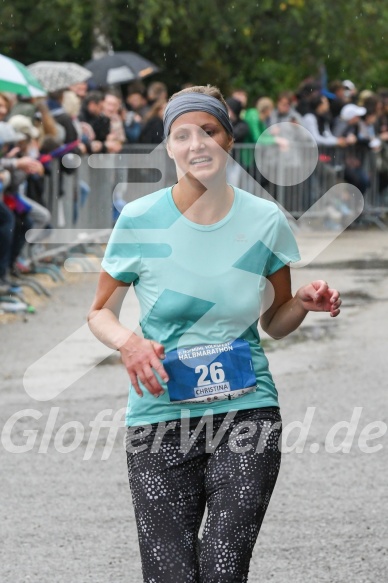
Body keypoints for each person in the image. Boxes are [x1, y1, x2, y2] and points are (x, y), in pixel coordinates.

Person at [88, 85, 341, 583]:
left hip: (247, 412)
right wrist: (130, 342)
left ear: (229, 140)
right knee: (170, 575)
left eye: (209, 131)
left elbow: (274, 321)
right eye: (182, 134)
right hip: (159, 416)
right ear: (168, 146)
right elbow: (100, 313)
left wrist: (303, 305)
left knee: (223, 571)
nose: (196, 144)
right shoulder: (141, 221)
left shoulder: (264, 219)